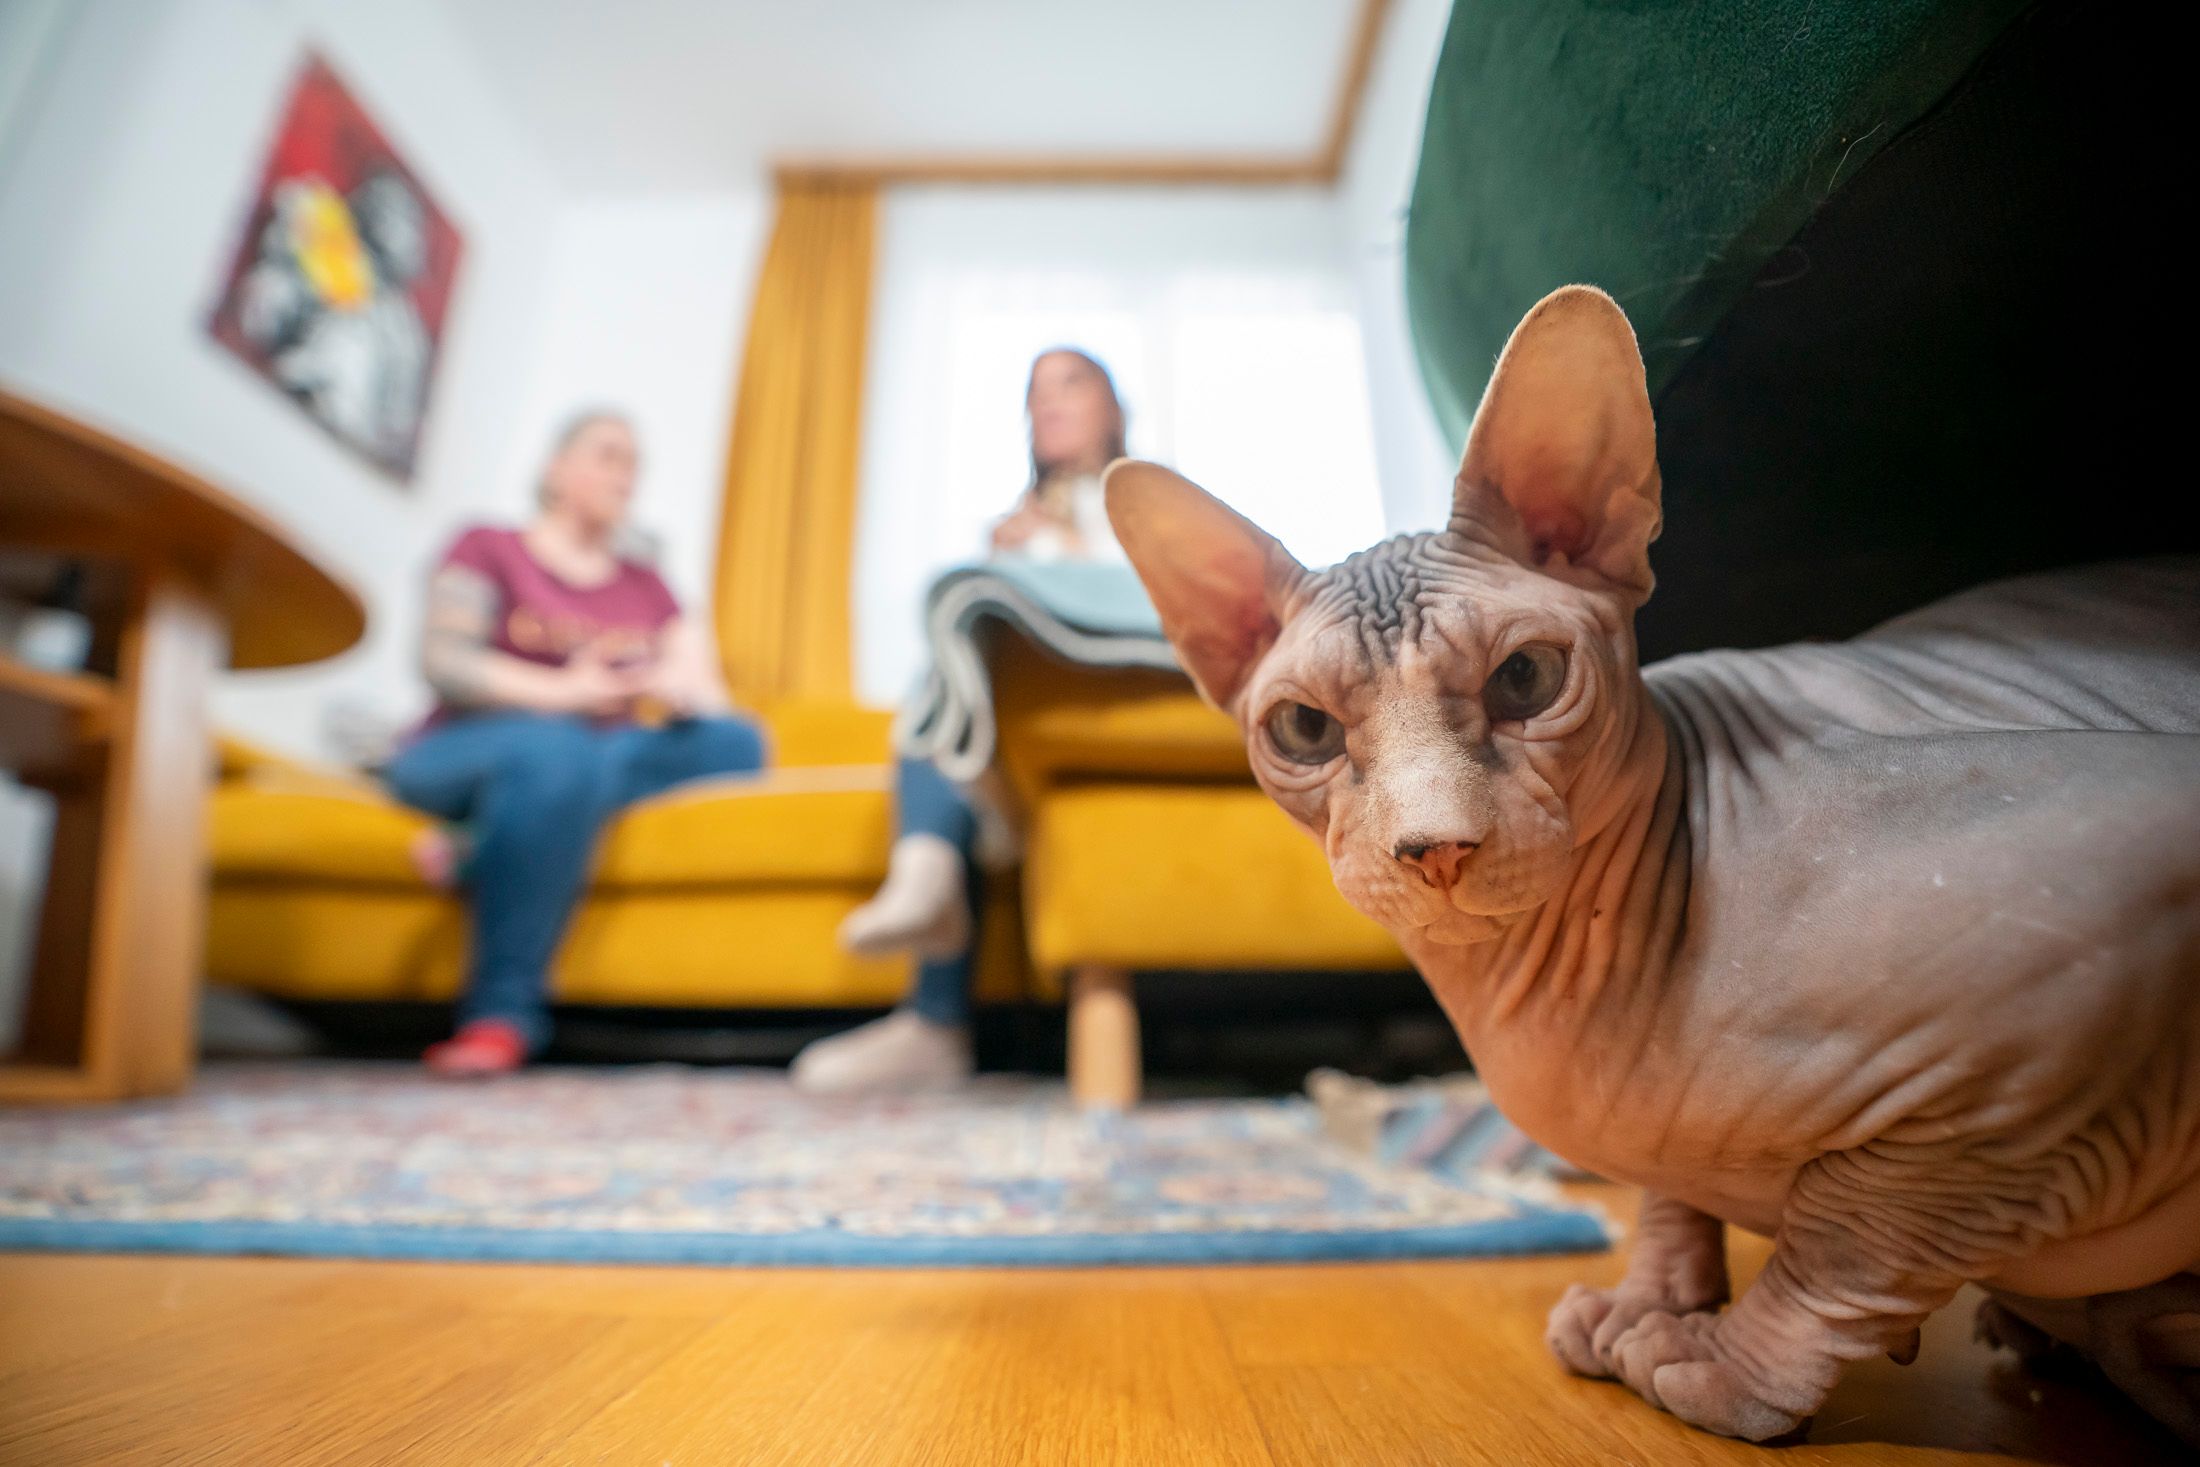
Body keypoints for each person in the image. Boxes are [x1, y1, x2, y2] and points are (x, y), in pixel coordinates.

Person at [385, 409, 765, 1076]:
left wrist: (674, 688)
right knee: (555, 750)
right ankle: (501, 1014)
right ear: (556, 469)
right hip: (463, 748)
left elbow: (712, 699)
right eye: (607, 456)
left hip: (592, 758)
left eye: (633, 464)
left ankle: (483, 841)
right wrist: (569, 693)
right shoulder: (487, 545)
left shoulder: (648, 584)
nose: (625, 476)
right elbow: (444, 661)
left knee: (737, 743)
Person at [791, 348, 1129, 1094]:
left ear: (1112, 407)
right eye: (1035, 393)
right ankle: (932, 991)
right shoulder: (1017, 528)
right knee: (947, 687)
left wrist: (1059, 551)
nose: (1047, 403)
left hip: (1101, 718)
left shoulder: (1143, 506)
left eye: (1070, 384)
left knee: (943, 701)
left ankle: (927, 904)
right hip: (1003, 747)